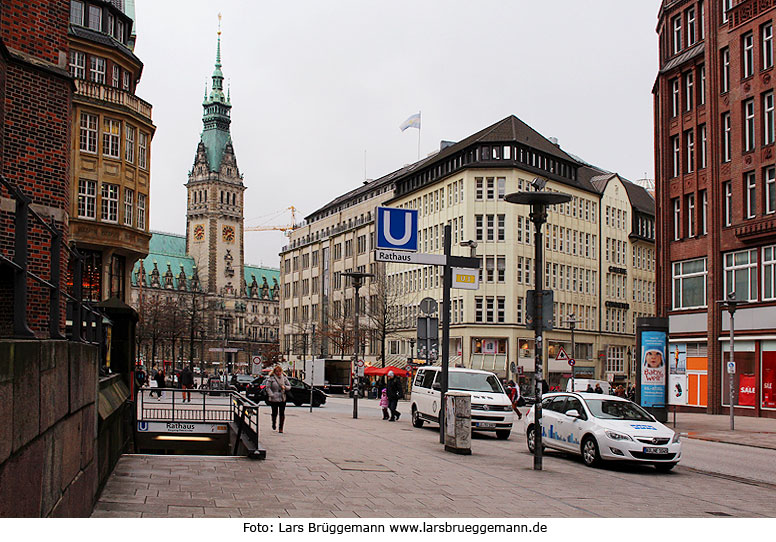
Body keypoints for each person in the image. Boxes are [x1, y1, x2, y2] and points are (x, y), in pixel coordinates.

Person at [266, 365, 291, 433]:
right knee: (274, 412)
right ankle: (274, 423)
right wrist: (271, 394)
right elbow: (268, 387)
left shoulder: (284, 378)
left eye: (280, 371)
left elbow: (289, 386)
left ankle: (281, 428)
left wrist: (284, 387)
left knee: (282, 413)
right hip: (274, 397)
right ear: (274, 372)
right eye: (277, 371)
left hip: (282, 397)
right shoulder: (271, 378)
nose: (278, 373)